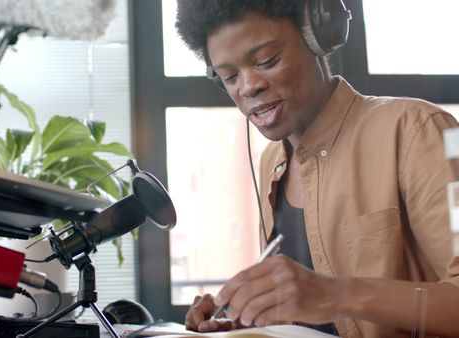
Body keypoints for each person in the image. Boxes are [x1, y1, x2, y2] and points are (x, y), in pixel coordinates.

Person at [175, 1, 459, 337]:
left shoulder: (420, 130)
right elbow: (311, 317)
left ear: (317, 37)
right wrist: (243, 319)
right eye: (230, 77)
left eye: (267, 61)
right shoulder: (271, 163)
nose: (248, 87)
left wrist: (335, 294)